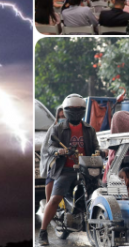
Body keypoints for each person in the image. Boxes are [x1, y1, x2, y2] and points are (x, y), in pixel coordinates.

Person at [38, 94, 101, 246]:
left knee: (99, 191)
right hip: (65, 170)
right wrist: (60, 151)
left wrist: (99, 151)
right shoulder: (57, 128)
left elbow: (95, 146)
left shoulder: (89, 129)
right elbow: (51, 146)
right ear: (65, 111)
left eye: (78, 109)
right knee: (54, 200)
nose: (75, 111)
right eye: (72, 109)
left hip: (85, 169)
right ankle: (43, 232)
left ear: (83, 110)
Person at [41, 105, 66, 207]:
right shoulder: (54, 129)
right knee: (54, 169)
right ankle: (48, 203)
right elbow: (49, 147)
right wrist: (59, 151)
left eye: (64, 116)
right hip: (53, 156)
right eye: (60, 116)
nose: (62, 118)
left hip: (70, 156)